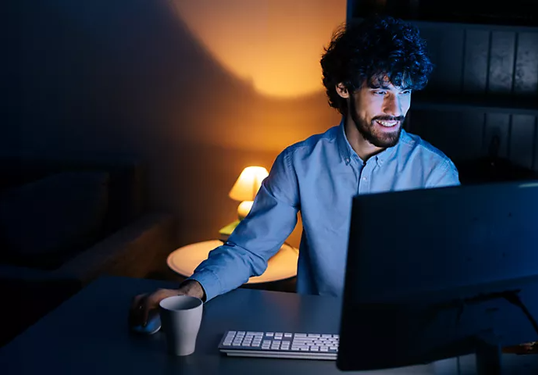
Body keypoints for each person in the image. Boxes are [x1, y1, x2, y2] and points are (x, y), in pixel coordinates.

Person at [129, 15, 460, 328]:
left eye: (404, 92)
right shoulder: (299, 162)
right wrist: (189, 292)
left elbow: (451, 269)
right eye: (380, 91)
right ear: (344, 88)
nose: (396, 109)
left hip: (403, 332)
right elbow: (248, 249)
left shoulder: (435, 172)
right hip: (315, 329)